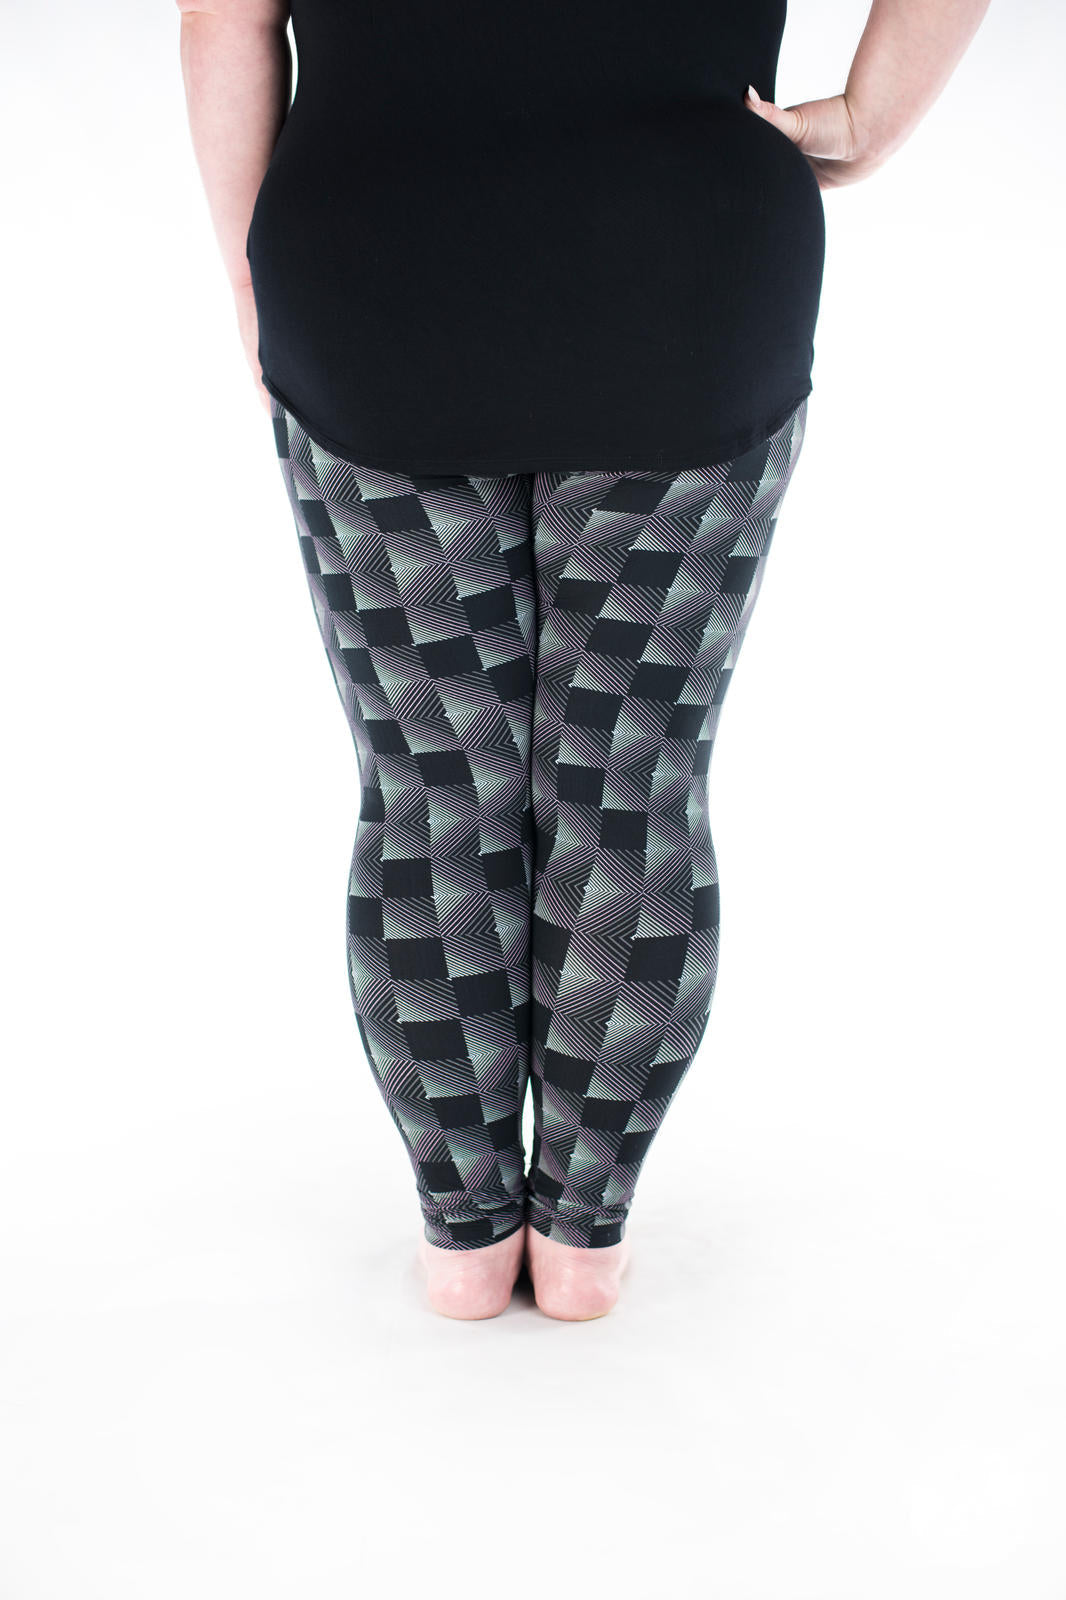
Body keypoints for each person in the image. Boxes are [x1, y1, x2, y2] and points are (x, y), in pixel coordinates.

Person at [176, 0, 991, 1322]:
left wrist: (247, 277)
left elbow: (224, 18)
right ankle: (581, 1246)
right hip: (686, 265)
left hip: (373, 261)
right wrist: (870, 117)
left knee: (435, 793)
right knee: (629, 790)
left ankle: (463, 1245)